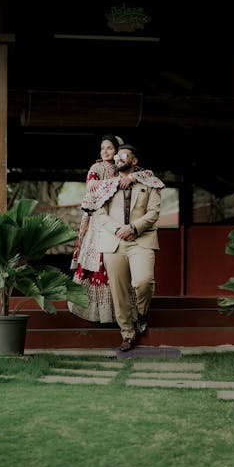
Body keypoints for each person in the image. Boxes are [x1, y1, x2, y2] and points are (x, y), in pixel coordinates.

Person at [68, 134, 164, 323]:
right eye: (102, 148)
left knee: (129, 274)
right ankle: (102, 314)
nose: (105, 152)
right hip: (101, 222)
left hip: (130, 228)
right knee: (99, 264)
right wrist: (116, 183)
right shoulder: (98, 167)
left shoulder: (130, 170)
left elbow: (149, 176)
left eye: (110, 149)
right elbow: (91, 187)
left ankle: (133, 313)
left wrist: (132, 177)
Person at [94, 143, 162, 351]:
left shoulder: (150, 183)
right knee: (119, 291)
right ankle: (127, 334)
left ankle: (142, 313)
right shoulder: (107, 185)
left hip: (141, 240)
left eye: (125, 156)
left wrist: (133, 227)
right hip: (114, 243)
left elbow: (154, 213)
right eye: (118, 156)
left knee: (143, 282)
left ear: (134, 161)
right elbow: (100, 213)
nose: (119, 158)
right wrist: (118, 229)